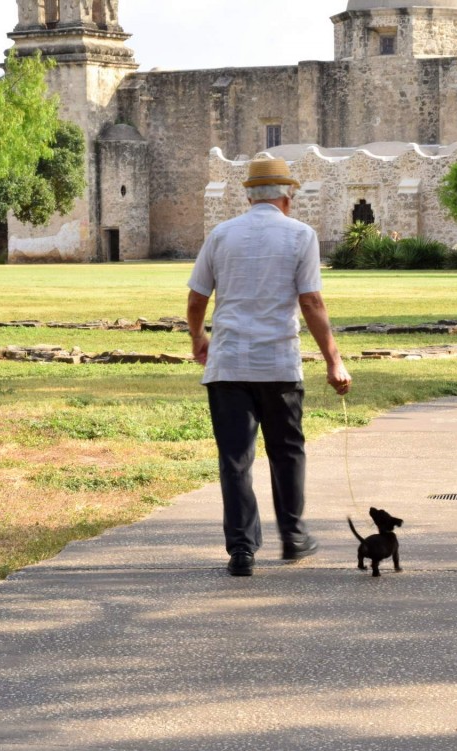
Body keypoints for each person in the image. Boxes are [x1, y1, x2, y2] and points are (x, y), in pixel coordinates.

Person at [186, 157, 352, 577]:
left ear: (247, 194)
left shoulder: (221, 235)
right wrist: (334, 360)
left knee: (235, 458)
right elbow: (311, 302)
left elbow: (196, 299)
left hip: (228, 365)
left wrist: (198, 339)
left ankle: (242, 549)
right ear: (287, 196)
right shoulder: (300, 235)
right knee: (287, 451)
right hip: (278, 362)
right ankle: (294, 536)